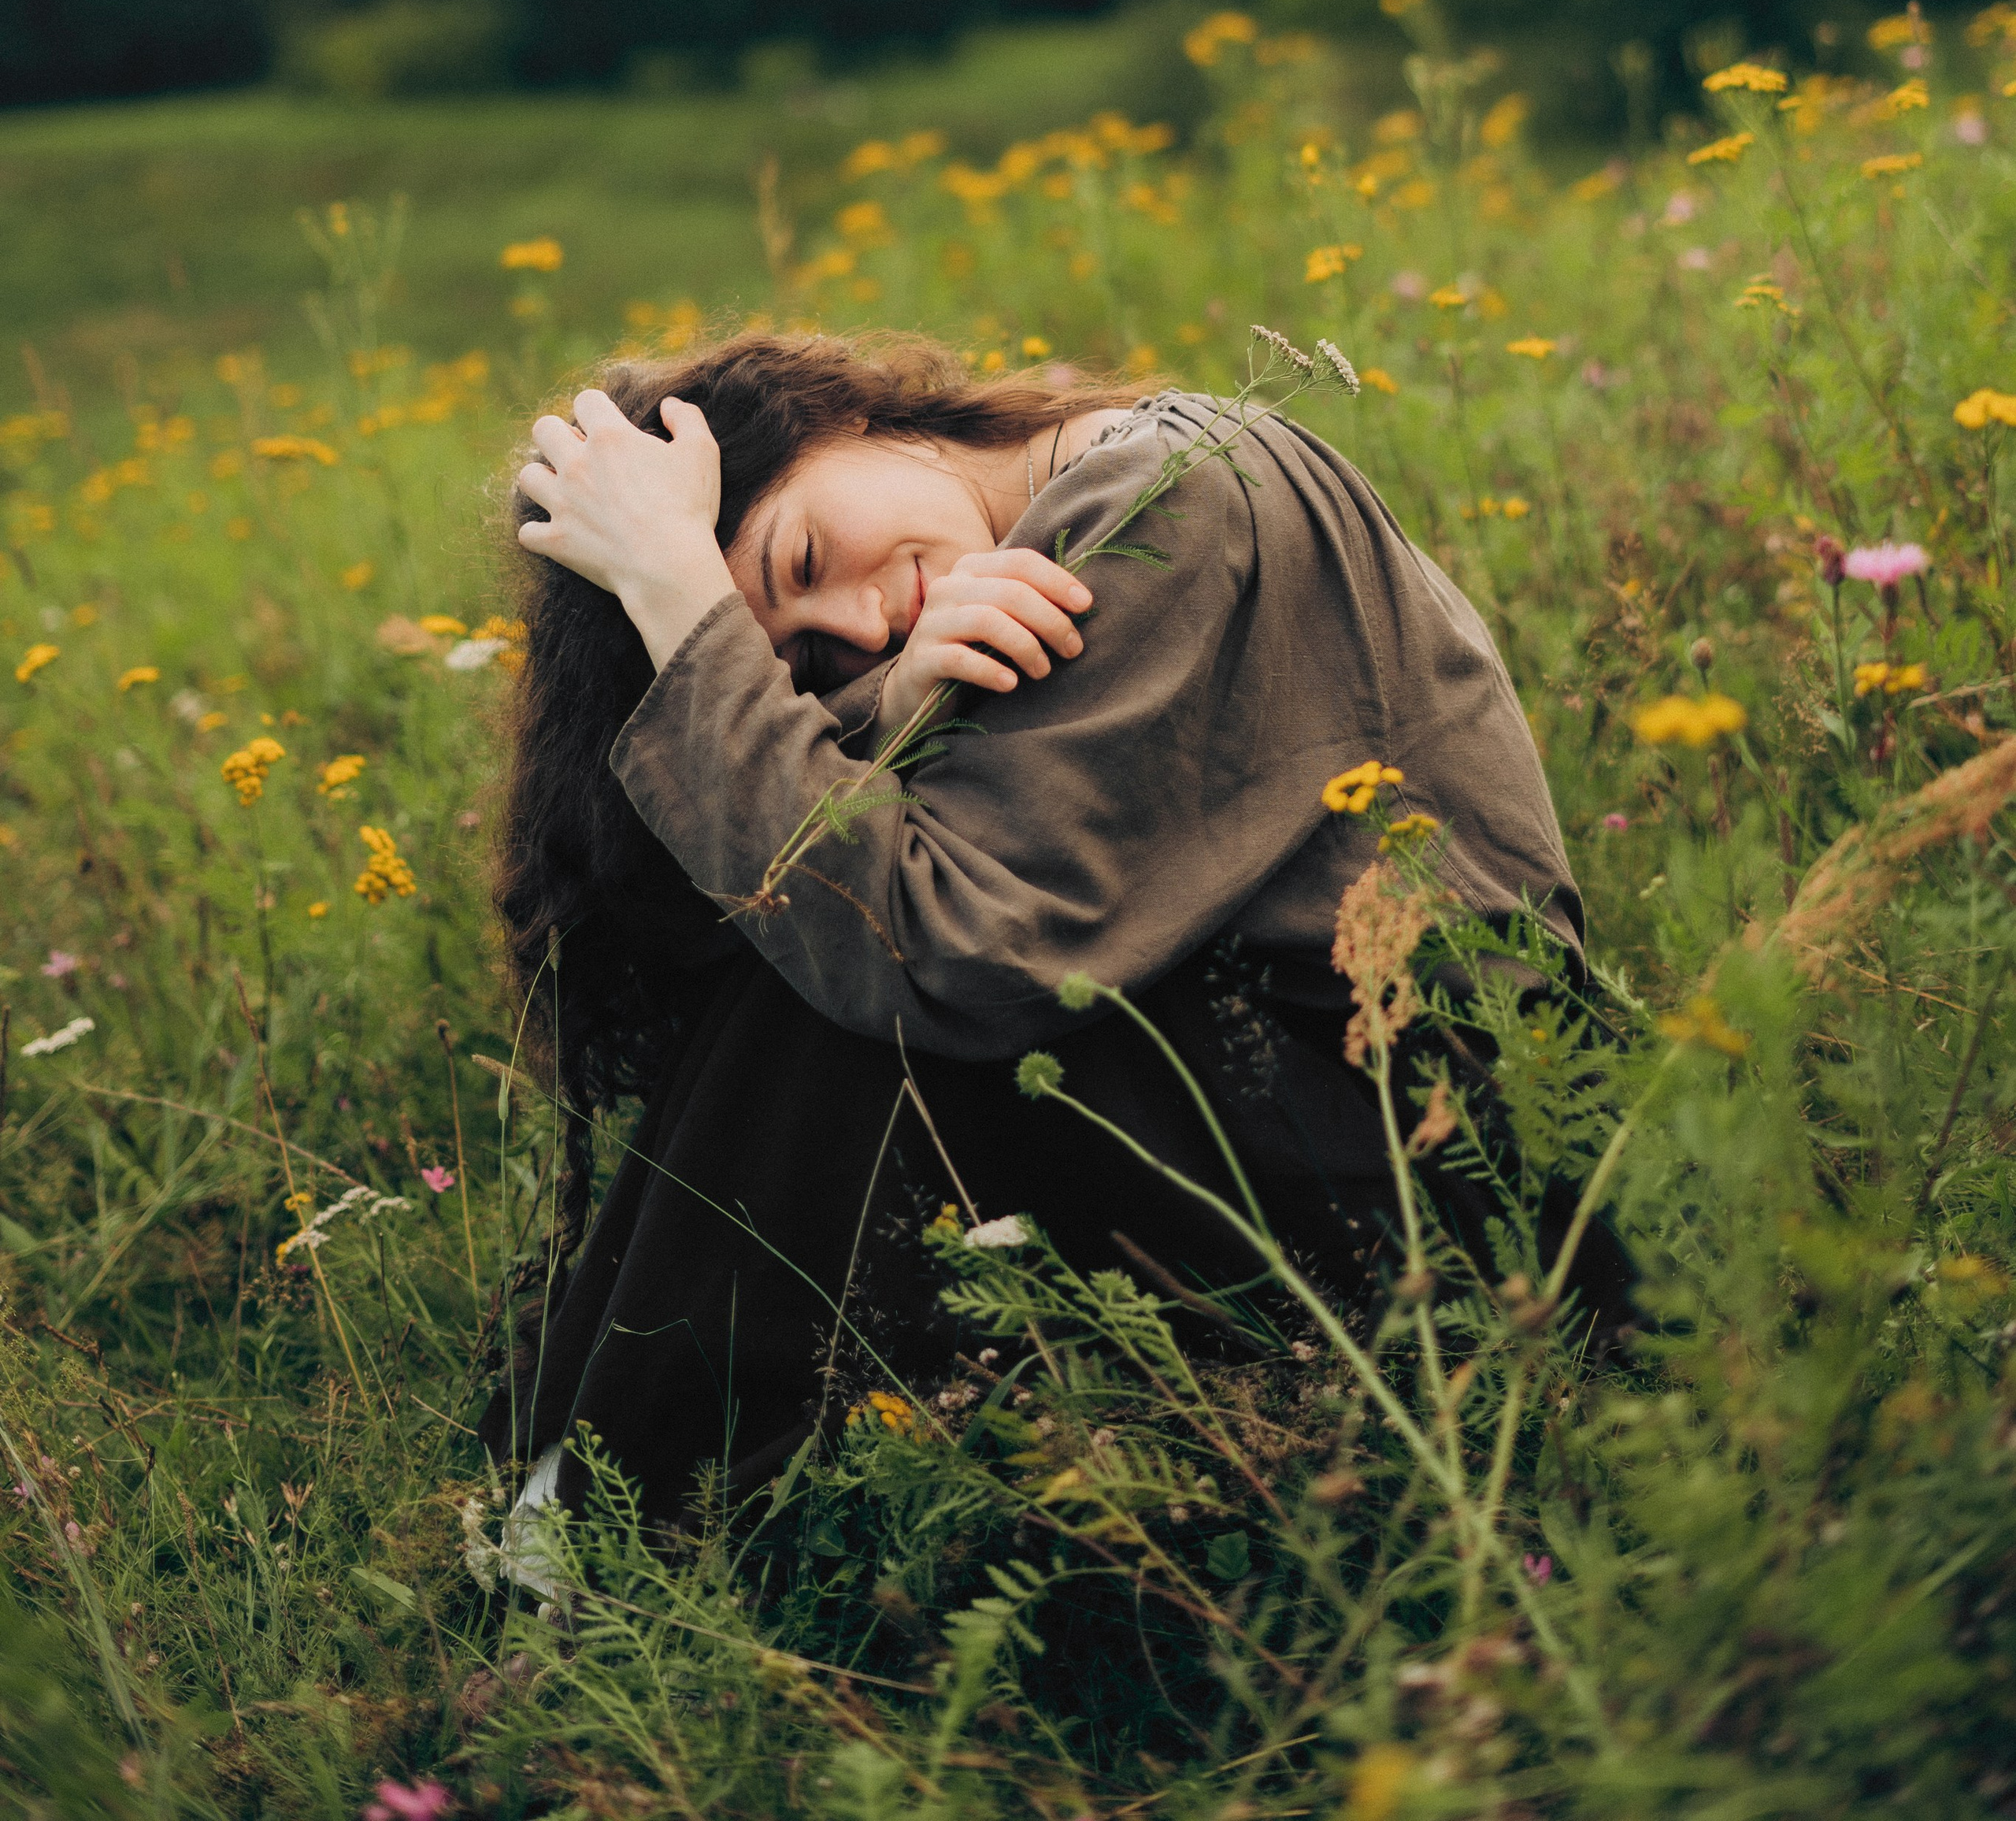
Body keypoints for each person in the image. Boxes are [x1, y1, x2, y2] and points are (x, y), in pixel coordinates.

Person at [481, 330, 1594, 1526]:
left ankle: (617, 1490)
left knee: (851, 947)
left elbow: (946, 944)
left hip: (1451, 1153)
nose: (858, 624)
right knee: (812, 915)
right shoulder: (1037, 539)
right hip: (1319, 1117)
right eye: (803, 662)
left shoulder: (1174, 495)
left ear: (836, 417)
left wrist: (673, 589)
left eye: (803, 555)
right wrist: (892, 706)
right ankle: (630, 1473)